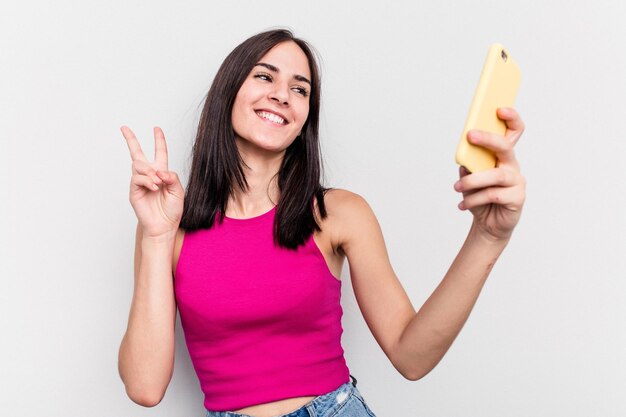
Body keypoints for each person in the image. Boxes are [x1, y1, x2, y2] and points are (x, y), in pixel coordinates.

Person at [118, 29, 526, 417]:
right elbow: (145, 388)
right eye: (264, 76)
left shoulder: (338, 214)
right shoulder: (168, 225)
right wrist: (156, 236)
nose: (282, 95)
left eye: (300, 89)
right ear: (229, 92)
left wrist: (487, 236)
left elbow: (411, 356)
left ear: (304, 119)